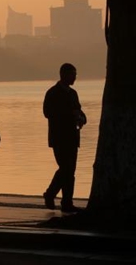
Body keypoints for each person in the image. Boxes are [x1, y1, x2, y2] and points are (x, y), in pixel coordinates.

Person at [42, 63, 86, 213]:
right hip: (59, 137)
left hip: (73, 137)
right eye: (72, 74)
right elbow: (47, 113)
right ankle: (51, 194)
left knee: (70, 170)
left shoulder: (73, 94)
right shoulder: (52, 93)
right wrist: (69, 115)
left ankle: (66, 201)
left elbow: (79, 110)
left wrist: (81, 118)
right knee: (65, 168)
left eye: (75, 74)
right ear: (63, 75)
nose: (74, 77)